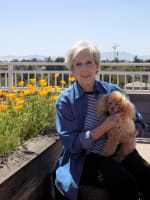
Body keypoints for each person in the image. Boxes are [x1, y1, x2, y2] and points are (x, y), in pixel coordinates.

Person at [54, 40, 150, 200]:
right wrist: (105, 126)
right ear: (72, 69)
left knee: (147, 176)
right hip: (87, 158)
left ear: (97, 67)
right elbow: (72, 144)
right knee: (127, 184)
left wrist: (131, 135)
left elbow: (139, 121)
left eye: (89, 62)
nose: (84, 69)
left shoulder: (113, 91)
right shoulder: (65, 102)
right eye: (78, 64)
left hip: (119, 150)